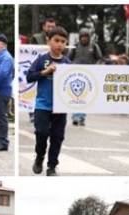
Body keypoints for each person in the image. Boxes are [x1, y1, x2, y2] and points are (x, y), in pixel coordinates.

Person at [26, 26, 70, 176]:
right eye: (56, 40)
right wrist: (45, 72)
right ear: (48, 41)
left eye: (63, 42)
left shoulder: (68, 63)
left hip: (61, 107)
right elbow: (29, 76)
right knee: (42, 133)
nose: (59, 44)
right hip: (42, 105)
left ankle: (52, 166)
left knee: (57, 137)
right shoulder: (42, 60)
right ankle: (39, 157)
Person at [67, 29, 104, 126]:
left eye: (86, 37)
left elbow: (99, 59)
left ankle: (81, 117)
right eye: (82, 37)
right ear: (80, 37)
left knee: (85, 97)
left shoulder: (94, 46)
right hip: (76, 75)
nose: (84, 39)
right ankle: (76, 116)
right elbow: (68, 59)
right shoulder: (75, 47)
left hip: (89, 75)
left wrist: (96, 68)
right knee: (75, 96)